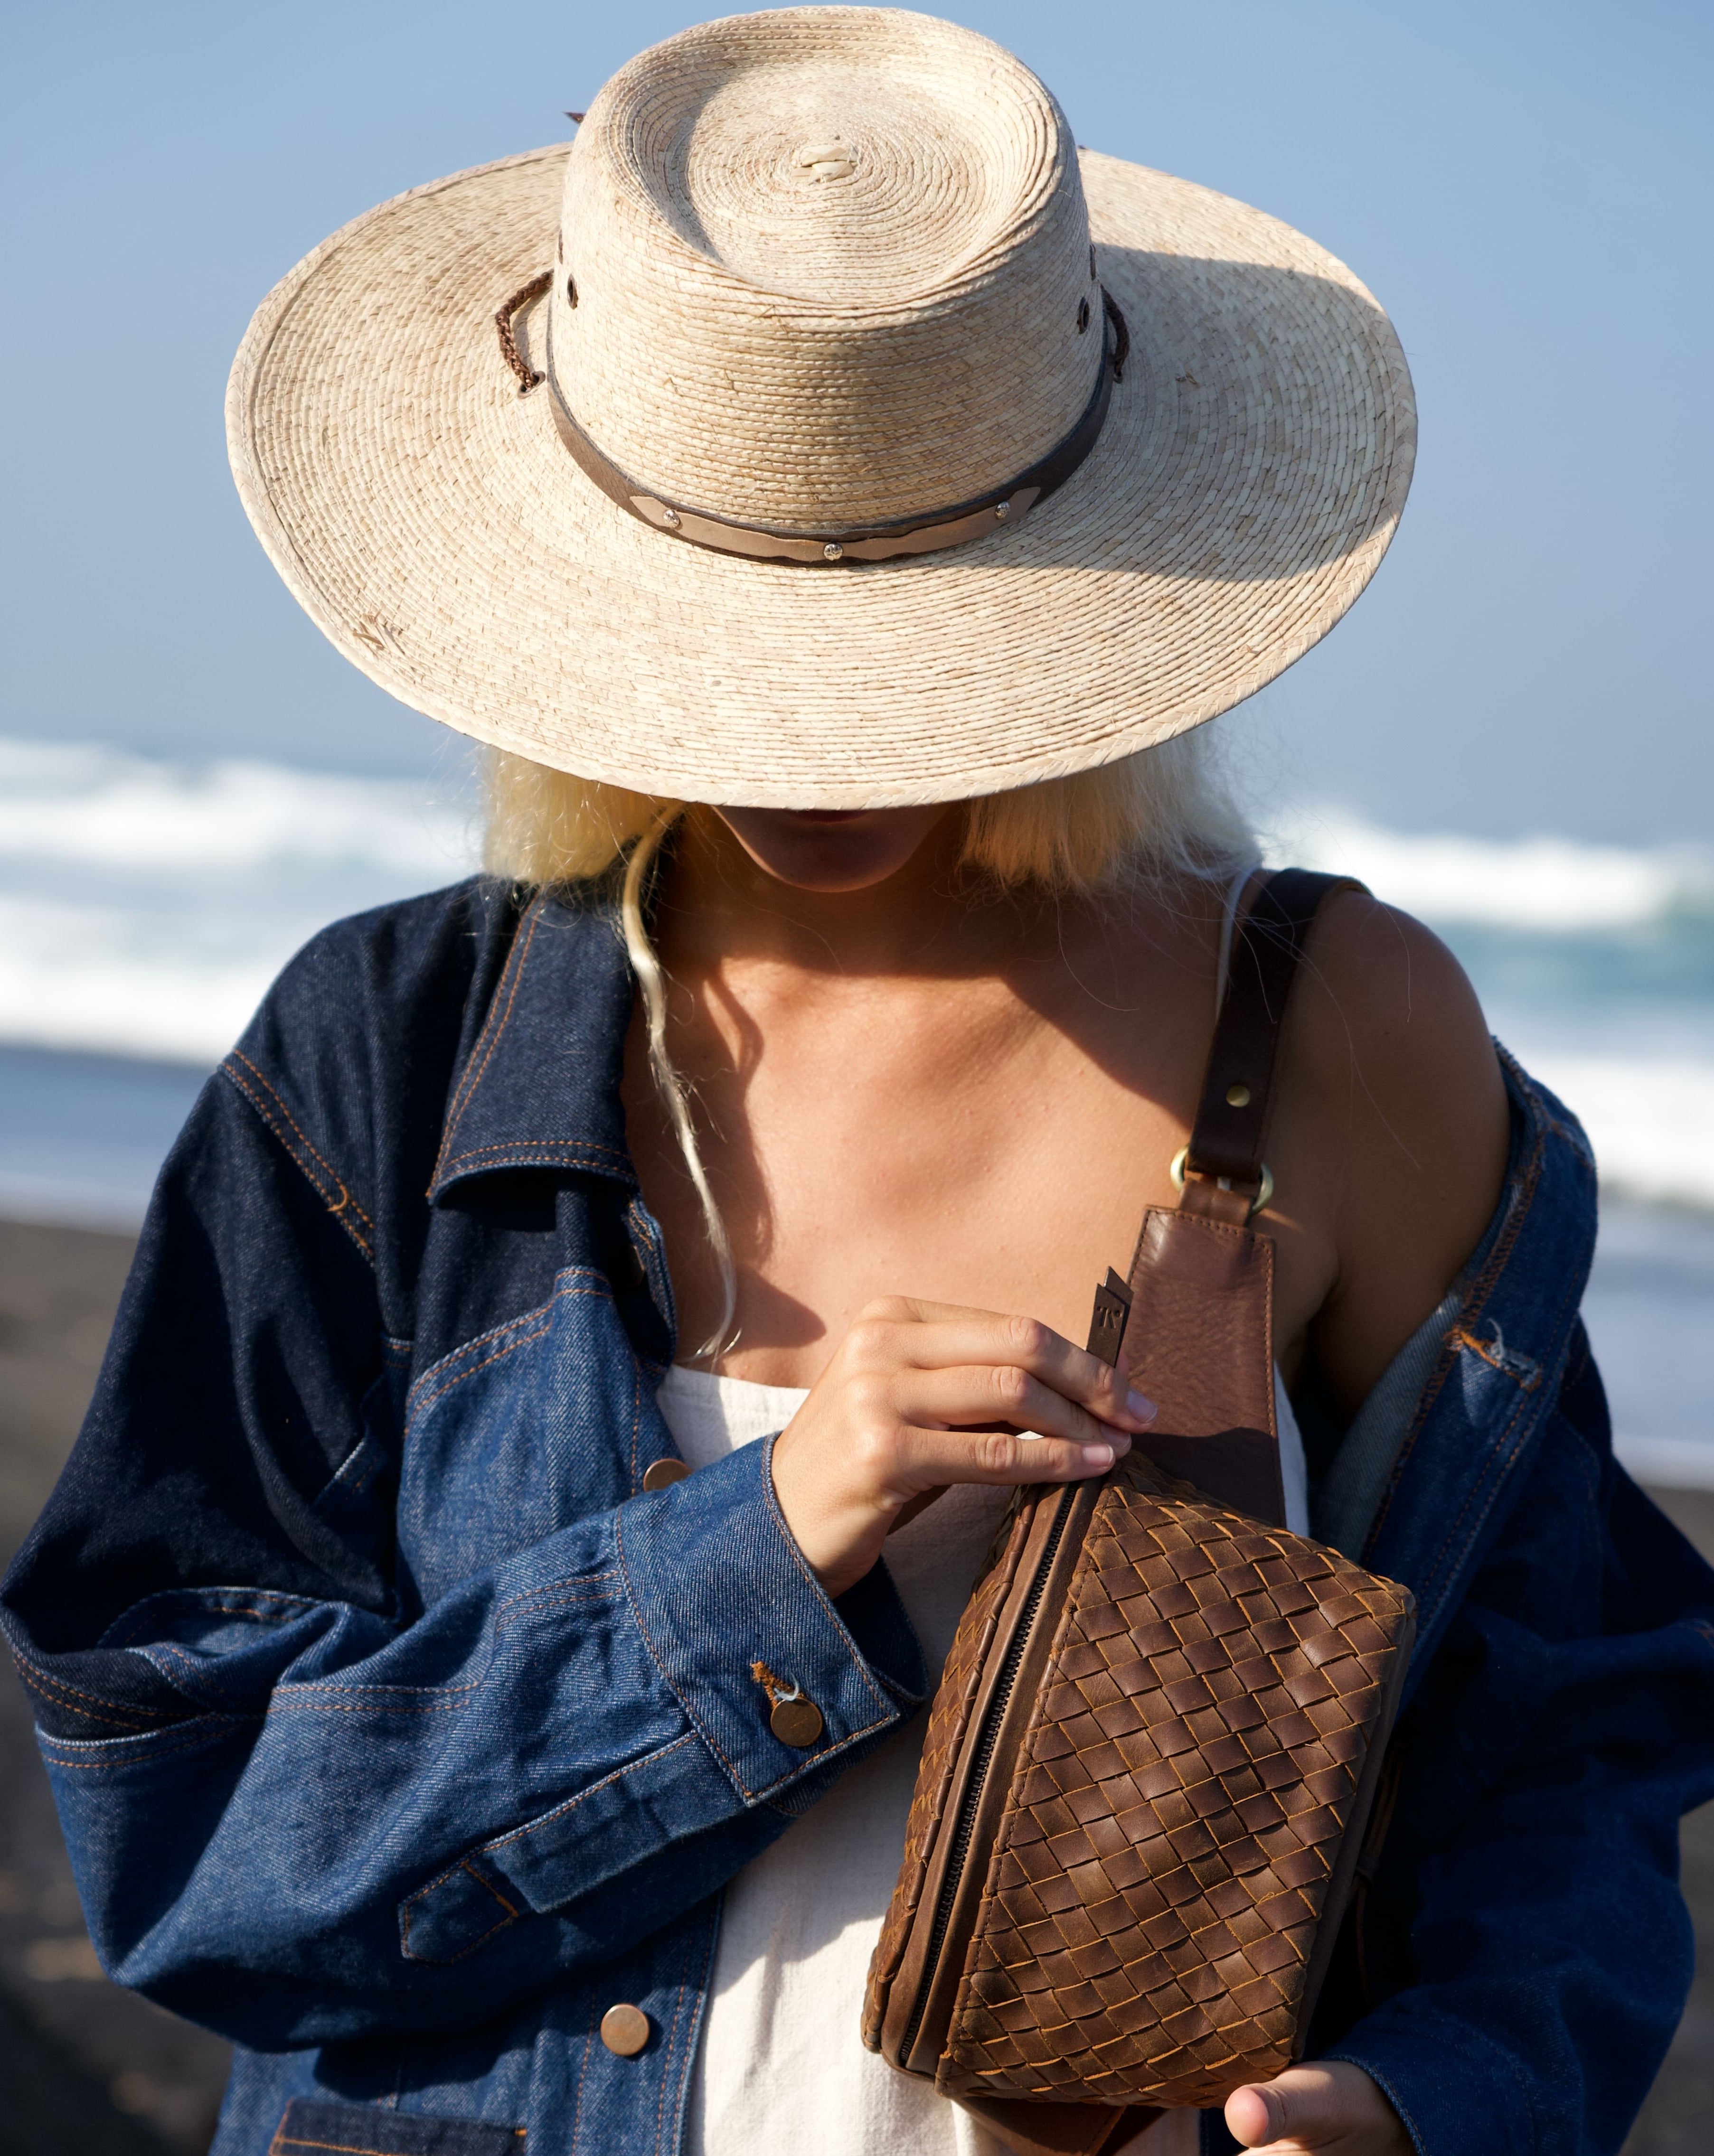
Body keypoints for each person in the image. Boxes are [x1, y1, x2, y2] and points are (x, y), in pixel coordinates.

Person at [5, 11, 1710, 2156]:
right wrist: (763, 1550)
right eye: (743, 631)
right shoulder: (389, 1059)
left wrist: (1422, 2097)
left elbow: (1572, 1746)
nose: (813, 753)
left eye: (908, 631)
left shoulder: (1343, 1031)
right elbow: (189, 1845)